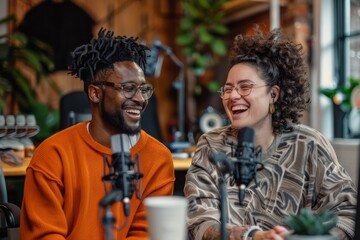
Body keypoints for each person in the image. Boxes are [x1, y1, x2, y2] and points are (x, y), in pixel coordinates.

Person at [184, 26, 357, 240]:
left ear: (273, 94)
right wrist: (252, 236)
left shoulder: (308, 144)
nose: (233, 96)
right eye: (228, 89)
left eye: (245, 87)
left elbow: (346, 212)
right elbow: (199, 221)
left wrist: (305, 237)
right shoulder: (212, 145)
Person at [20, 28, 175, 239]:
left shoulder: (158, 158)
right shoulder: (52, 155)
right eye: (128, 88)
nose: (140, 99)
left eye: (143, 89)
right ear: (95, 93)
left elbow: (145, 234)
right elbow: (44, 235)